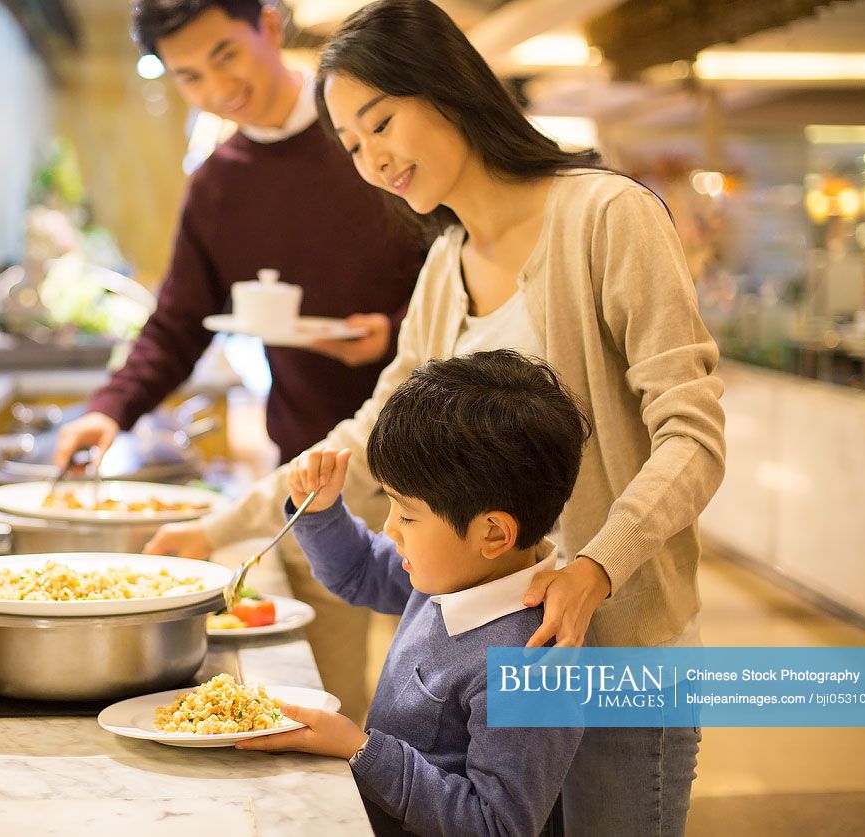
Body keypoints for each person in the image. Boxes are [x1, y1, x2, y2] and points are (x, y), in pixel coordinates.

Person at [152, 1, 727, 833]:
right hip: (497, 660)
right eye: (351, 144)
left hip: (619, 651)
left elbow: (693, 434)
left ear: (446, 87)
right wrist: (221, 525)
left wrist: (595, 566)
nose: (372, 158)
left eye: (380, 121)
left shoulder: (605, 216)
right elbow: (367, 431)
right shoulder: (443, 265)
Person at [58, 0, 426, 722]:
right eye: (188, 76)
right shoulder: (219, 184)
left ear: (268, 22)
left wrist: (393, 331)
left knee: (448, 698)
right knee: (335, 703)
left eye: (224, 54)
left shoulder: (372, 133)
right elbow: (177, 323)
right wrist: (109, 410)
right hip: (325, 473)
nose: (215, 87)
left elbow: (461, 267)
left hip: (441, 455)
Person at [237, 351, 589, 837]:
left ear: (493, 534)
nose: (390, 529)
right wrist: (318, 511)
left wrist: (362, 750)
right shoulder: (450, 574)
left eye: (406, 515)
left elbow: (498, 825)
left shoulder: (527, 665)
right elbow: (359, 570)